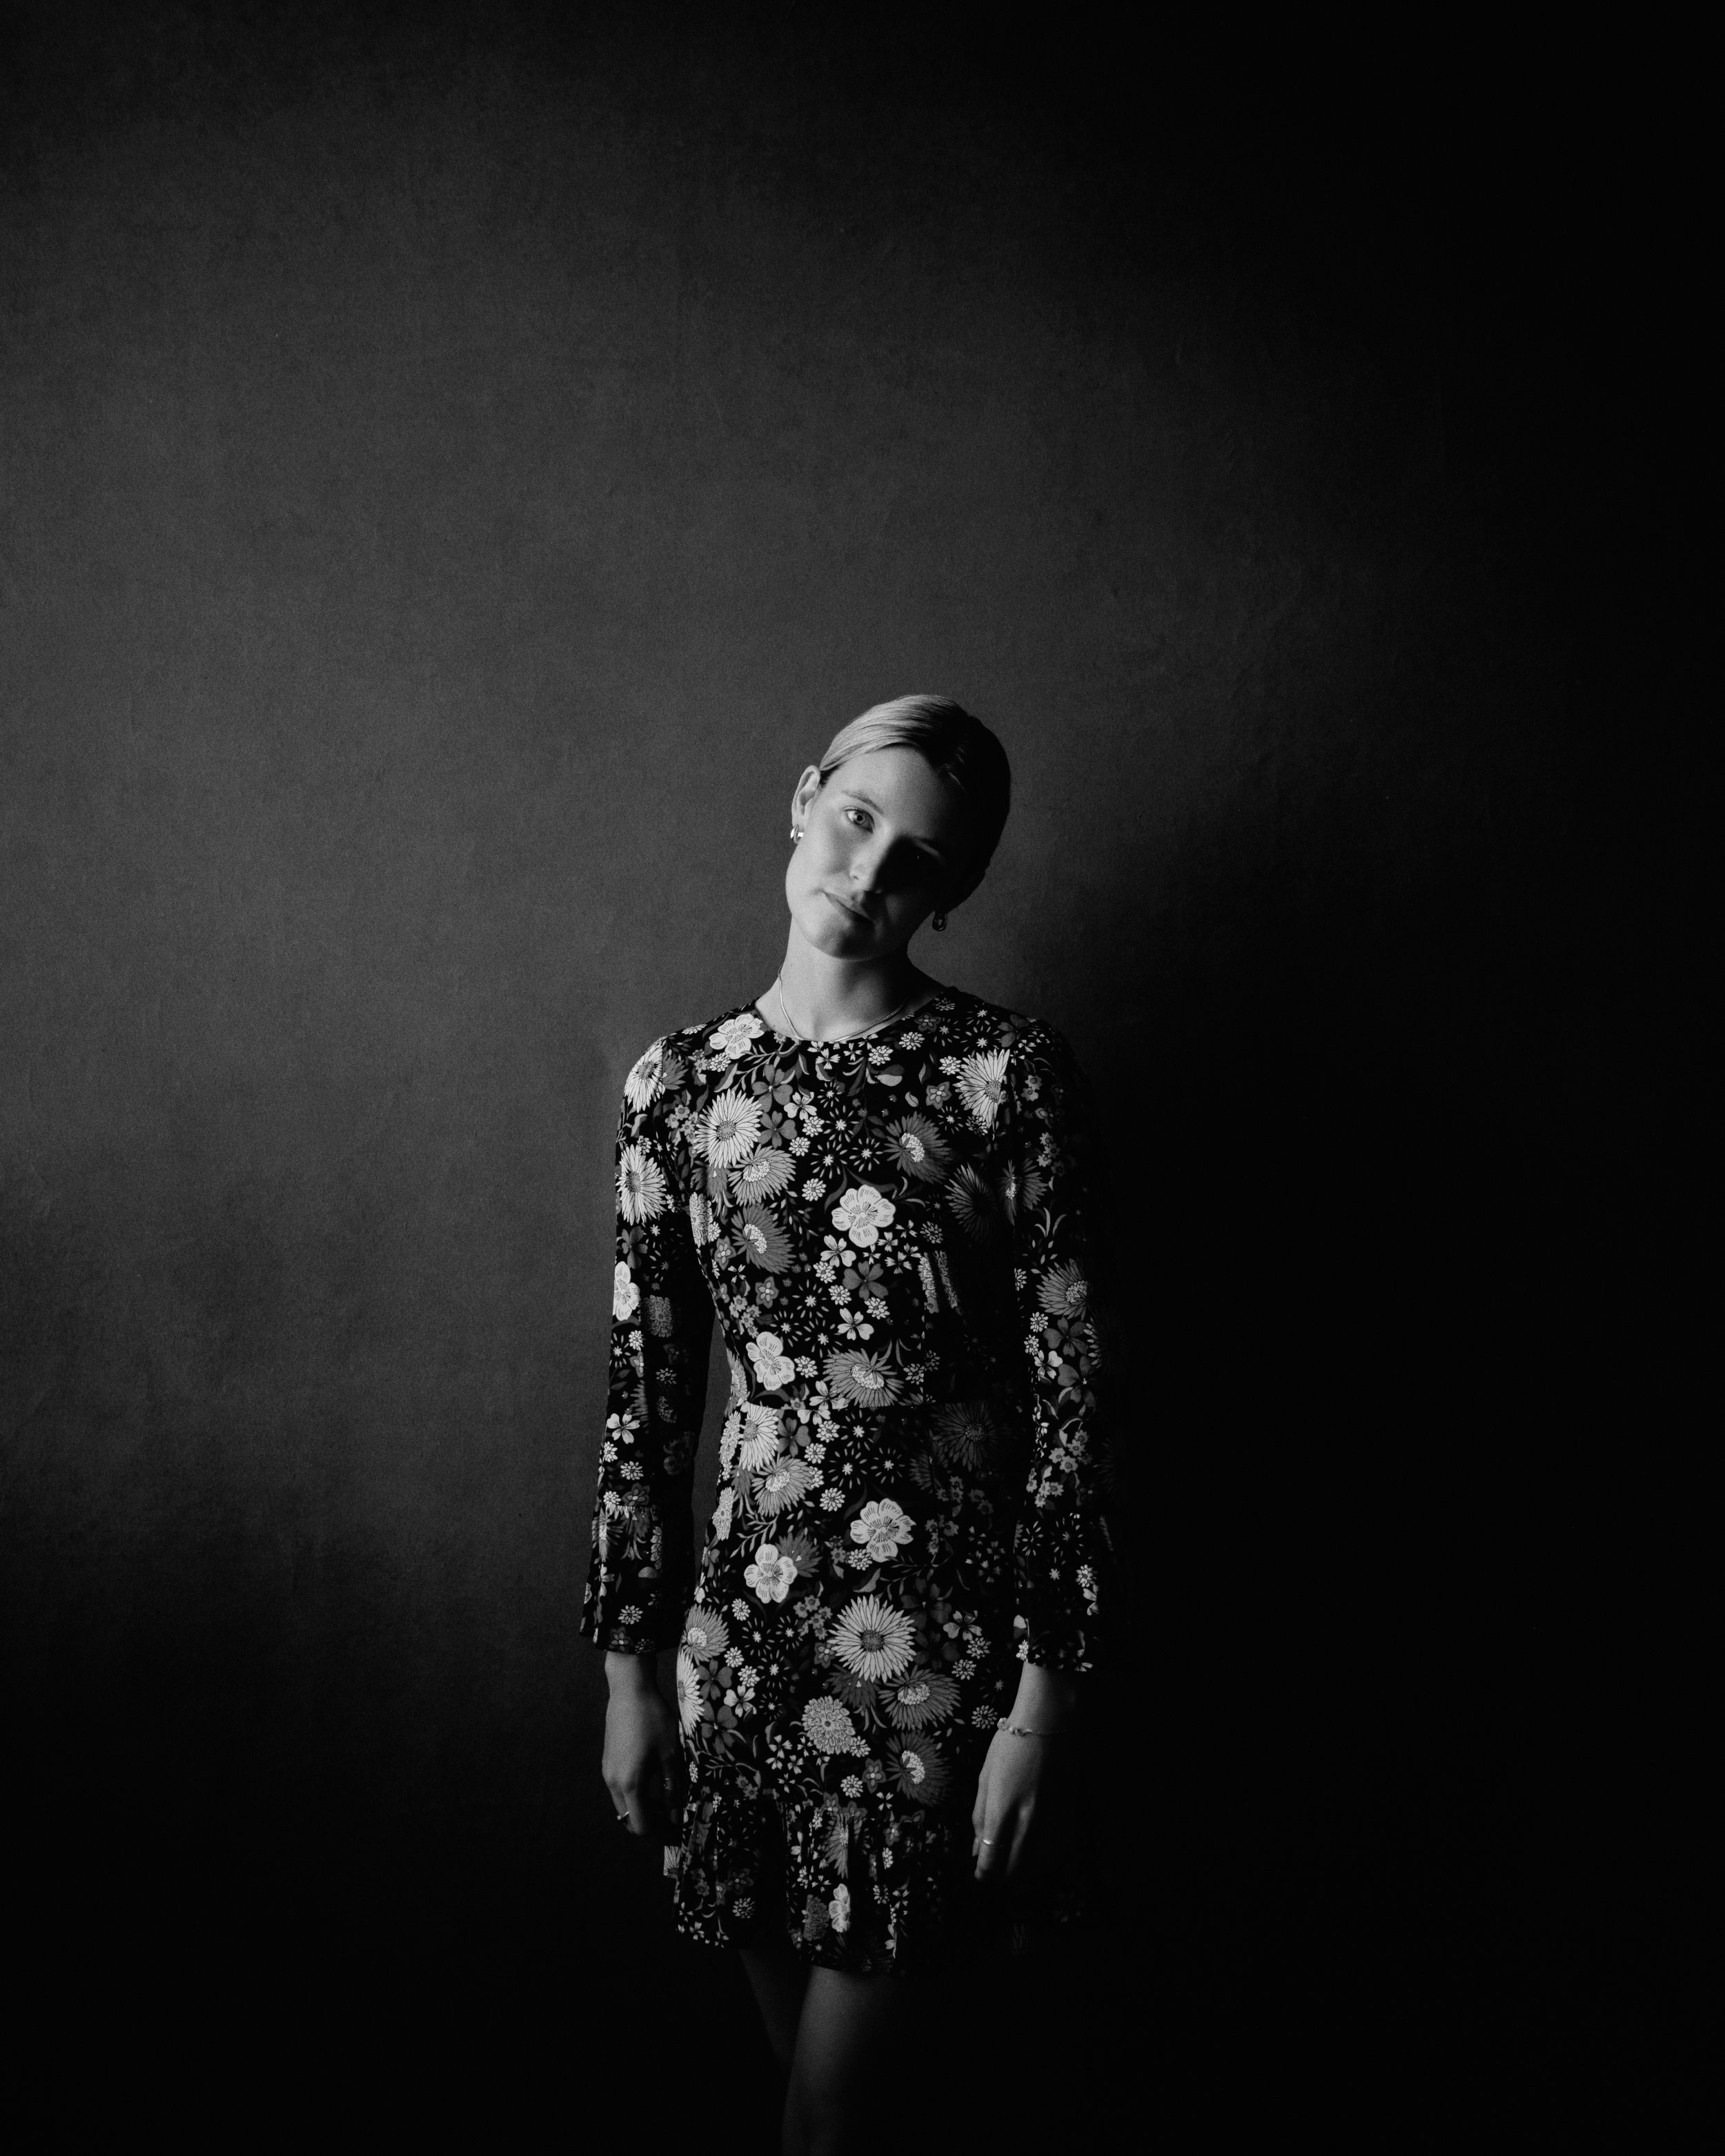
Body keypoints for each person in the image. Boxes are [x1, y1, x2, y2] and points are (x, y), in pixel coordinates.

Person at [581, 695, 1114, 2155]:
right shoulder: (679, 1089)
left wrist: (1043, 1704)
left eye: (915, 861)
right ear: (806, 794)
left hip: (939, 1662)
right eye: (856, 819)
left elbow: (1076, 1397)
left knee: (835, 2121)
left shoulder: (1003, 1079)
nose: (867, 872)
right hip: (744, 1656)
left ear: (951, 894)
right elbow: (645, 1398)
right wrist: (630, 1676)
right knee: (827, 2123)